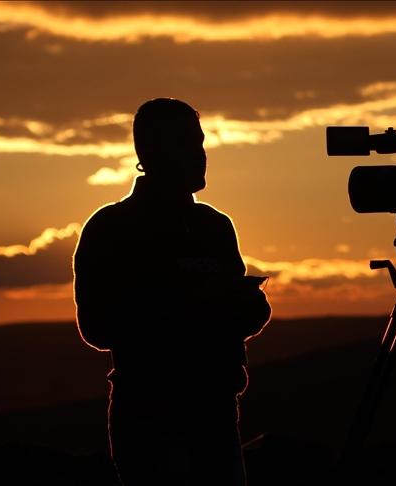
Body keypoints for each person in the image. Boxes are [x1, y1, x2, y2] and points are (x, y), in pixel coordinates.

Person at [74, 98, 271, 485]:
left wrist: (250, 306)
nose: (200, 156)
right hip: (148, 417)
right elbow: (95, 327)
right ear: (150, 152)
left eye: (199, 143)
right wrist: (185, 306)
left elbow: (240, 312)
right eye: (186, 144)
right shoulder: (111, 228)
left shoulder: (215, 226)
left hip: (216, 413)